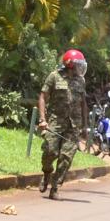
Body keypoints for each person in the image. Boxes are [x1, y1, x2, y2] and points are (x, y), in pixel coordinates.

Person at [38, 49, 88, 200]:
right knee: (50, 152)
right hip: (55, 121)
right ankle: (47, 173)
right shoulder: (54, 76)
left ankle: (55, 188)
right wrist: (42, 119)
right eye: (78, 65)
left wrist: (84, 126)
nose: (81, 68)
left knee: (66, 157)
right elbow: (42, 97)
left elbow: (83, 103)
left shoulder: (81, 81)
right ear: (69, 64)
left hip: (74, 126)